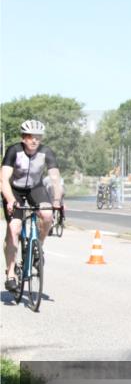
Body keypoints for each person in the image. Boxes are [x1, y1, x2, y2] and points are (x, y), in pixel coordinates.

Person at [1, 120, 63, 292]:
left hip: (35, 188)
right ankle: (11, 274)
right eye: (30, 137)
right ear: (23, 138)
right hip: (14, 190)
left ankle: (38, 248)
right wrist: (10, 199)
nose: (35, 140)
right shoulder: (14, 151)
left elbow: (55, 178)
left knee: (48, 214)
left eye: (38, 137)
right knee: (14, 228)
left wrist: (57, 200)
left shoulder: (46, 152)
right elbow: (3, 179)